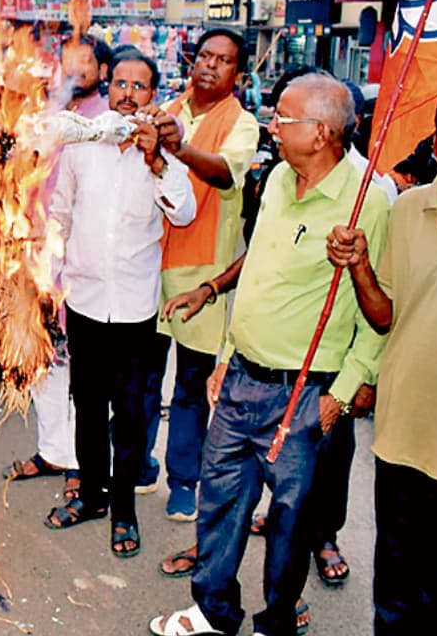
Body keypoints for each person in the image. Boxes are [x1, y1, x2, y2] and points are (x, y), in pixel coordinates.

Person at [149, 73, 389, 636]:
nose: (272, 127)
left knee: (290, 524)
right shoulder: (279, 177)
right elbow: (256, 268)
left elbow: (379, 313)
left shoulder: (367, 202)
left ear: (322, 132)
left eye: (283, 118)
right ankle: (213, 611)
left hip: (304, 393)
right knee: (220, 504)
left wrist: (341, 393)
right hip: (240, 380)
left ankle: (277, 620)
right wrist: (227, 355)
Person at [325, 82, 437, 634]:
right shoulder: (409, 207)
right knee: (392, 597)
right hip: (400, 437)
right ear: (435, 142)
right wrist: (359, 265)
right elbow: (384, 315)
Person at [44, 51, 195, 562]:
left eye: (140, 86)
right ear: (108, 88)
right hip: (84, 299)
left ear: (154, 94)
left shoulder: (163, 153)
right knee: (86, 404)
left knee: (129, 414)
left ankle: (124, 508)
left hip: (134, 306)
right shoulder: (83, 145)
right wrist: (50, 280)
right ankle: (91, 494)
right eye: (121, 84)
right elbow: (61, 212)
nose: (129, 94)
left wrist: (157, 161)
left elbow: (184, 212)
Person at [151, 28, 260, 523]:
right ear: (192, 61)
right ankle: (138, 464)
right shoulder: (167, 108)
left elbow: (223, 172)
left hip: (202, 275)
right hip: (151, 266)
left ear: (239, 73)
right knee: (144, 377)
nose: (211, 65)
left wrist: (179, 147)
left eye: (224, 60)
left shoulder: (243, 123)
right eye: (205, 56)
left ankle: (182, 482)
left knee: (191, 388)